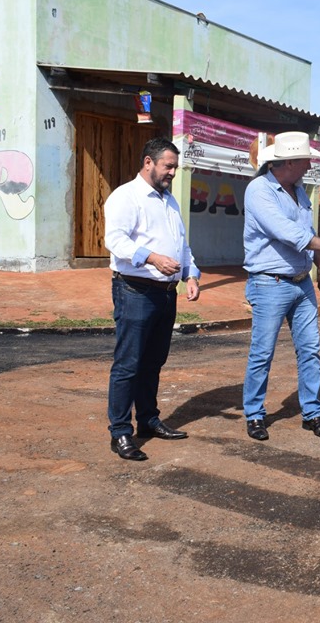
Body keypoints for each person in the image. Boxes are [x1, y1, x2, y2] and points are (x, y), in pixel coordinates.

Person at [242, 131, 320, 441]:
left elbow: (307, 230)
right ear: (289, 161)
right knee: (262, 353)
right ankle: (254, 415)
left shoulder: (298, 189)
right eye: (306, 160)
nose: (309, 165)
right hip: (270, 284)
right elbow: (288, 232)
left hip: (301, 283)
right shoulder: (259, 190)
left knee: (310, 351)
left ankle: (312, 413)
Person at [103, 137, 201, 461]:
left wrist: (190, 274)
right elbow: (115, 240)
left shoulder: (169, 201)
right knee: (128, 365)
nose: (173, 172)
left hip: (165, 294)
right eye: (167, 166)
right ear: (148, 162)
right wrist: (152, 258)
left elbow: (181, 244)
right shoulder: (126, 197)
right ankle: (120, 432)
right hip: (135, 291)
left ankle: (146, 420)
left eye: (175, 166)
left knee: (152, 363)